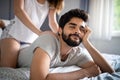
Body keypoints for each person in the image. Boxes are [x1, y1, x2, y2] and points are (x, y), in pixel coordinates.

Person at [18, 9, 115, 80]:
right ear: (60, 30)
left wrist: (86, 42)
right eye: (72, 27)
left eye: (82, 29)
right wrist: (85, 73)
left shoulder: (77, 53)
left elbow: (109, 71)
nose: (77, 31)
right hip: (21, 50)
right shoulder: (48, 41)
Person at [0, 0, 64, 68]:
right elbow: (18, 10)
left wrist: (61, 37)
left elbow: (52, 22)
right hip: (13, 35)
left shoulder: (51, 2)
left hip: (31, 41)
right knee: (9, 67)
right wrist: (40, 33)